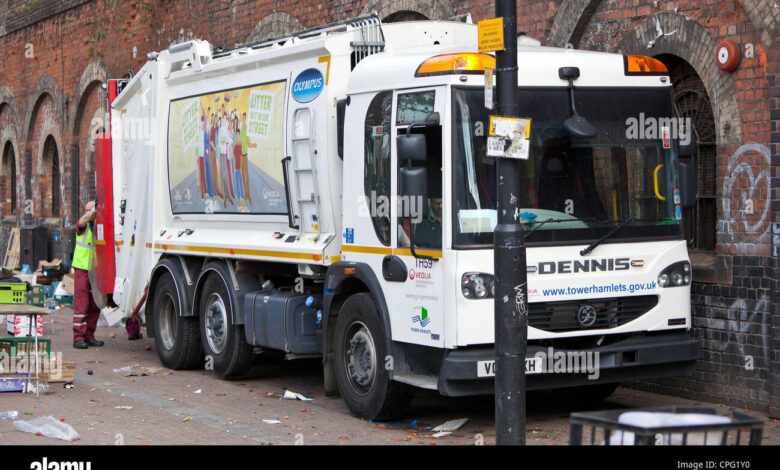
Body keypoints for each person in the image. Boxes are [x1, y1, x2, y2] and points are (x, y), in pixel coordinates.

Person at [71, 200, 104, 349]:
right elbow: (82, 222)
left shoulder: (99, 227)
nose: (89, 213)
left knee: (95, 303)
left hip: (95, 270)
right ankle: (78, 336)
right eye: (87, 210)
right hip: (82, 269)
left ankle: (89, 335)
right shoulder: (82, 224)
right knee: (82, 303)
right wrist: (93, 212)